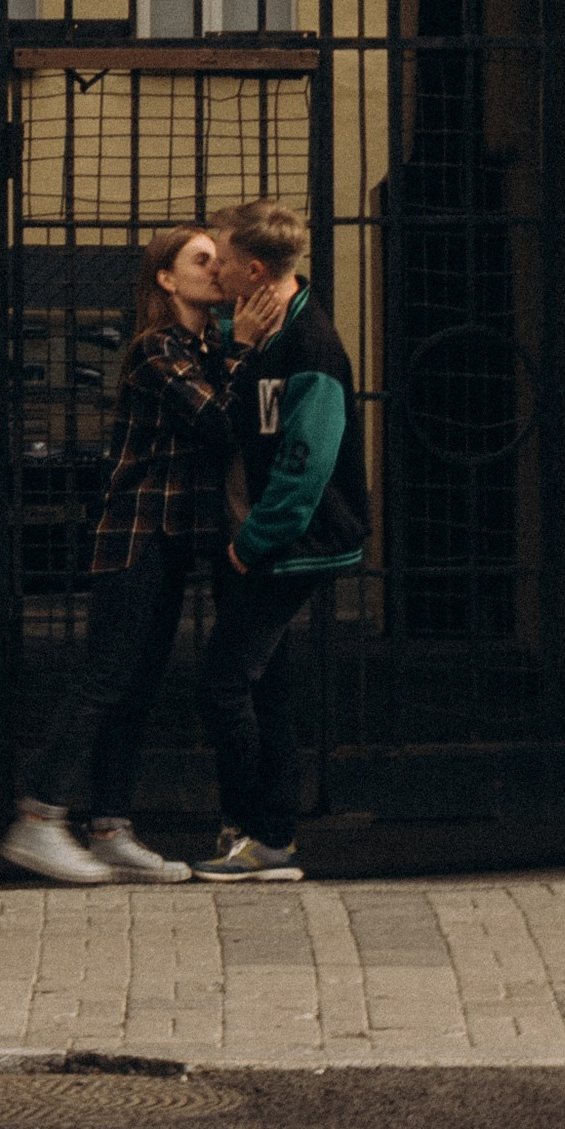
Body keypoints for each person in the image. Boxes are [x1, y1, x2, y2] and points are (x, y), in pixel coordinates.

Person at [0, 223, 285, 886]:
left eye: (221, 259)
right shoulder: (156, 349)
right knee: (106, 678)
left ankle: (110, 830)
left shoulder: (206, 344)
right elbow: (221, 423)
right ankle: (37, 818)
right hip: (136, 537)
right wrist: (244, 351)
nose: (219, 270)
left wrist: (238, 349)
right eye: (202, 259)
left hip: (174, 541)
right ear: (166, 278)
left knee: (136, 688)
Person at [188, 198, 369, 885]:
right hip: (263, 543)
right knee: (267, 690)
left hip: (288, 545)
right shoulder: (259, 333)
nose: (216, 270)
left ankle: (256, 834)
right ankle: (271, 835)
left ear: (255, 270)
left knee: (222, 684)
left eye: (224, 261)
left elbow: (306, 461)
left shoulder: (311, 344)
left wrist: (251, 543)